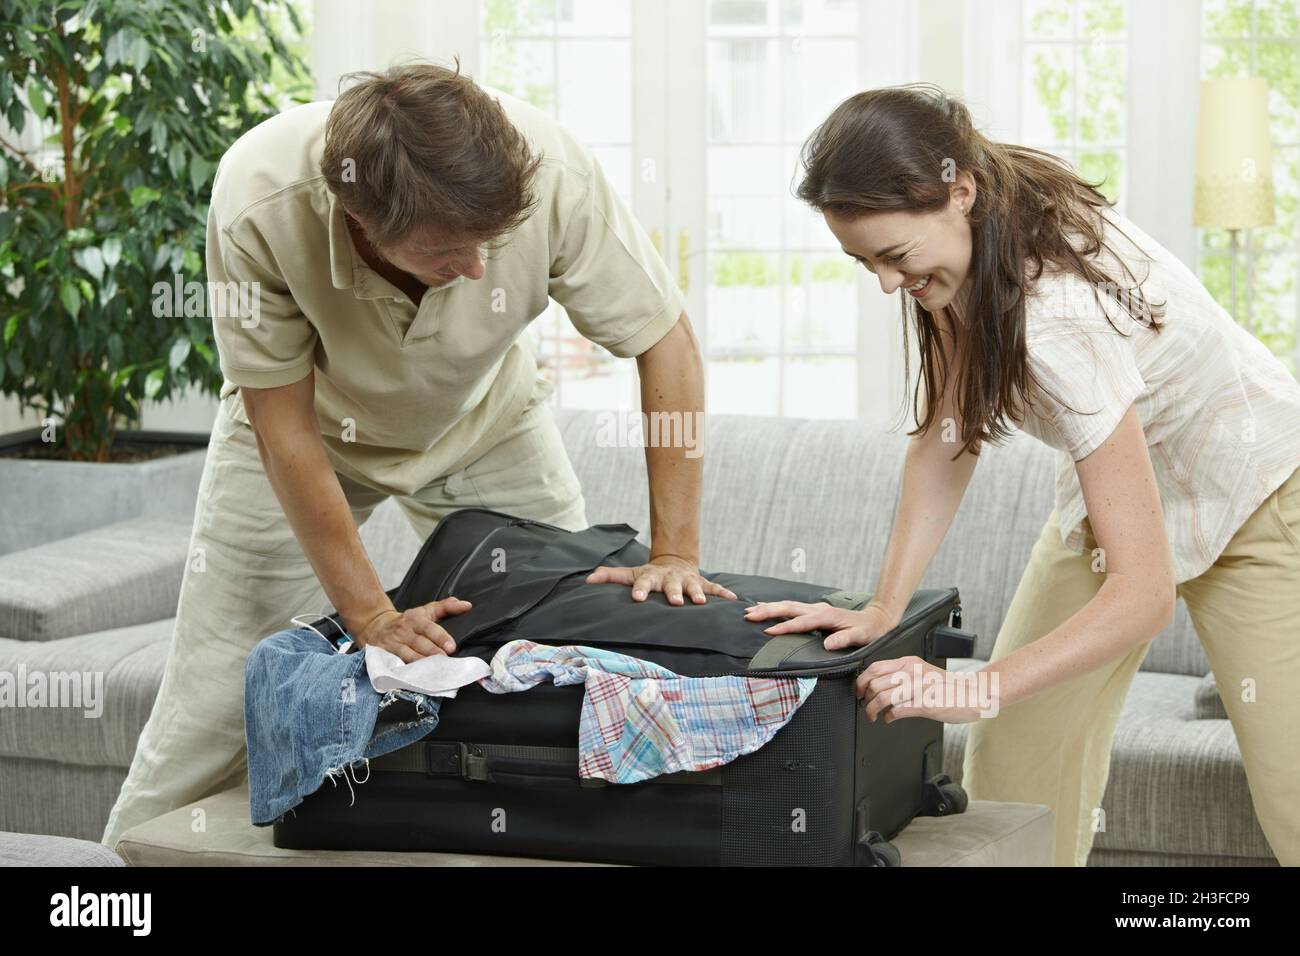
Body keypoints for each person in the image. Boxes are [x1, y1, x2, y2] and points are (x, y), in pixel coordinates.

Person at [101, 63, 735, 849]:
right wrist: (369, 617)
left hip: (485, 420)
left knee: (571, 647)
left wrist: (674, 550)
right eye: (449, 250)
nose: (477, 268)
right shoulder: (259, 196)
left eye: (490, 244)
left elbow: (664, 341)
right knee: (215, 691)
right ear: (358, 219)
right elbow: (283, 428)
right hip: (312, 434)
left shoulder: (554, 171)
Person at [745, 85, 1300, 866]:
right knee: (1013, 768)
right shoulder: (970, 246)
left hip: (1256, 491)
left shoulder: (1059, 323)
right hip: (1112, 506)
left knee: (1293, 792)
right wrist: (882, 606)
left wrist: (976, 685)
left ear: (958, 191)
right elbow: (948, 435)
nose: (883, 284)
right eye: (863, 260)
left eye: (894, 257)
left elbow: (1142, 596)